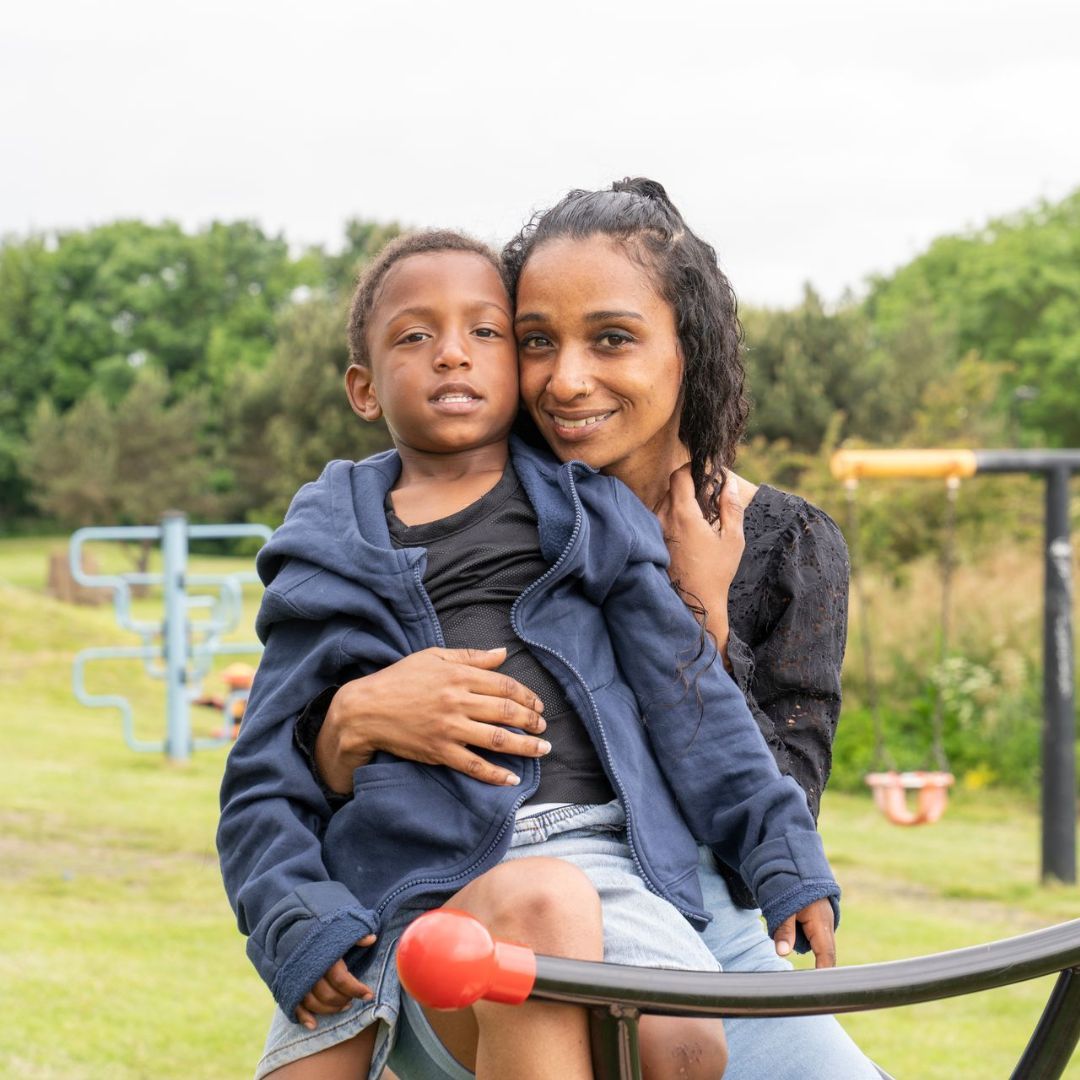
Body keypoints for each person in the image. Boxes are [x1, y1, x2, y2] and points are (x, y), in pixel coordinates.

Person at [218, 229, 843, 1080]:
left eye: (486, 333)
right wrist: (297, 915)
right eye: (415, 336)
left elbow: (691, 697)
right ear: (363, 388)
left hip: (595, 846)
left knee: (683, 1044)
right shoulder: (325, 550)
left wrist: (784, 856)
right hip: (396, 872)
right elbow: (262, 777)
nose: (451, 355)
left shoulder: (589, 519)